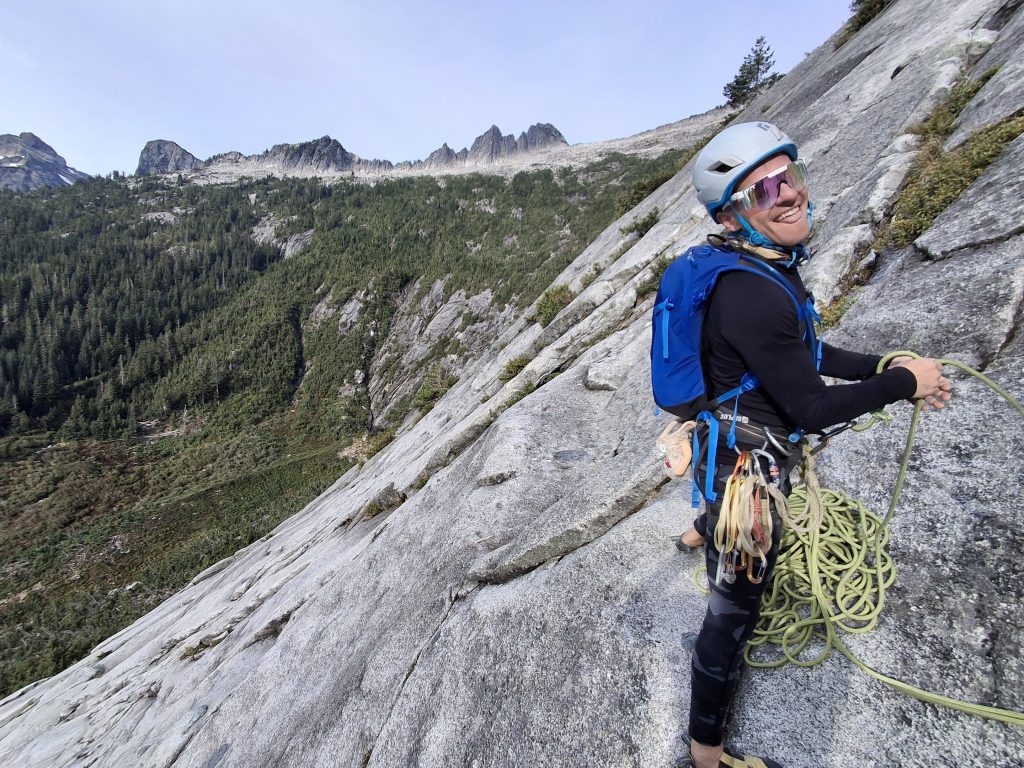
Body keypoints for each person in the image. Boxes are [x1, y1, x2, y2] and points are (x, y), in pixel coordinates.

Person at [675, 122, 952, 768]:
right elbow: (812, 407)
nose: (789, 194)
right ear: (736, 216)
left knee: (720, 513)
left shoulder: (763, 268)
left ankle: (700, 527)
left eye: (789, 177)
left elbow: (807, 354)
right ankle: (705, 752)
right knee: (730, 617)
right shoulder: (752, 293)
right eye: (765, 189)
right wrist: (903, 383)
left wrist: (881, 362)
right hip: (750, 468)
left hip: (732, 442)